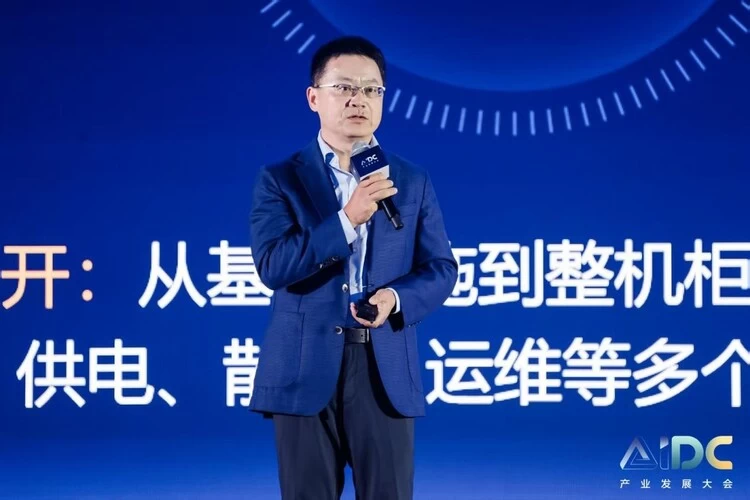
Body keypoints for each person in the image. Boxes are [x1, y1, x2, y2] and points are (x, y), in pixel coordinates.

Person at [248, 35, 458, 500]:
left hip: (383, 369)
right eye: (344, 87)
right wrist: (347, 219)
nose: (358, 99)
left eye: (371, 89)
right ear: (314, 97)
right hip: (303, 368)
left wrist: (394, 299)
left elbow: (441, 268)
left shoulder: (410, 179)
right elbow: (273, 265)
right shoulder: (280, 178)